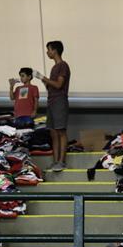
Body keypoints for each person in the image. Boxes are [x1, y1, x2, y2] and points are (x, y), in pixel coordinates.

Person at [35, 41, 70, 172]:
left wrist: (43, 78)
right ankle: (55, 161)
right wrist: (44, 81)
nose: (47, 52)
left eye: (48, 49)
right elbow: (52, 86)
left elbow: (59, 85)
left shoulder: (63, 66)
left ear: (55, 50)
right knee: (53, 132)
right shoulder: (54, 68)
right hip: (51, 101)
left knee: (61, 131)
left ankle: (62, 161)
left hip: (60, 101)